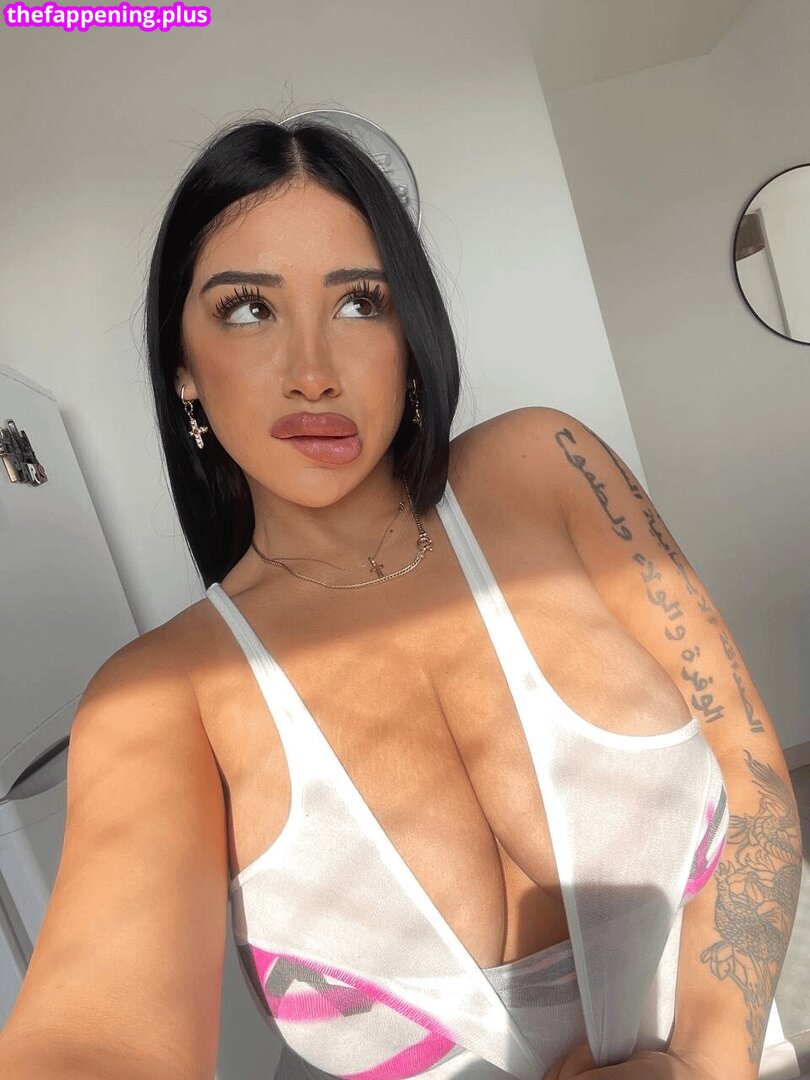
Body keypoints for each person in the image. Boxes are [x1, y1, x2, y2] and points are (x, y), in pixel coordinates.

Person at [0, 116, 800, 1080]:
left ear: (409, 334)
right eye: (248, 309)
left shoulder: (546, 467)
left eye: (360, 303)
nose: (311, 373)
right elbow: (94, 1030)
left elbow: (754, 776)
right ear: (183, 370)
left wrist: (701, 1068)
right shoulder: (164, 693)